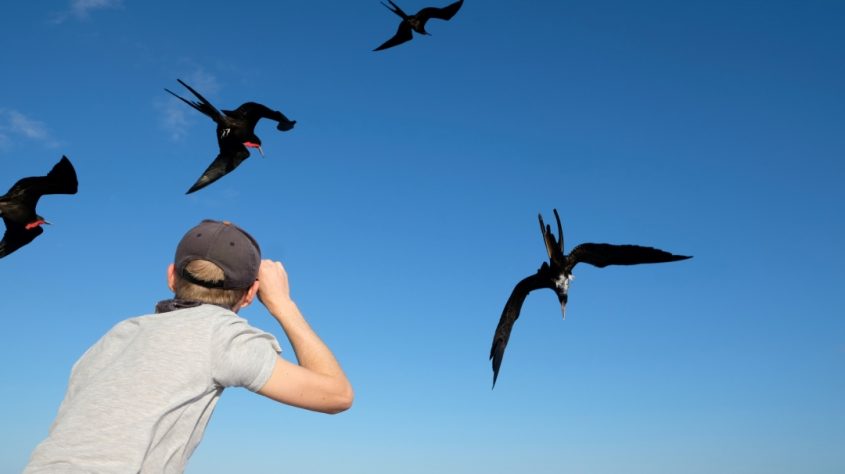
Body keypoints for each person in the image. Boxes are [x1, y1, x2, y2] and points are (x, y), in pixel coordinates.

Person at [25, 219, 353, 473]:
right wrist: (282, 303)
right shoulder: (220, 334)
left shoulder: (118, 335)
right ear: (251, 294)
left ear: (171, 276)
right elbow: (337, 395)